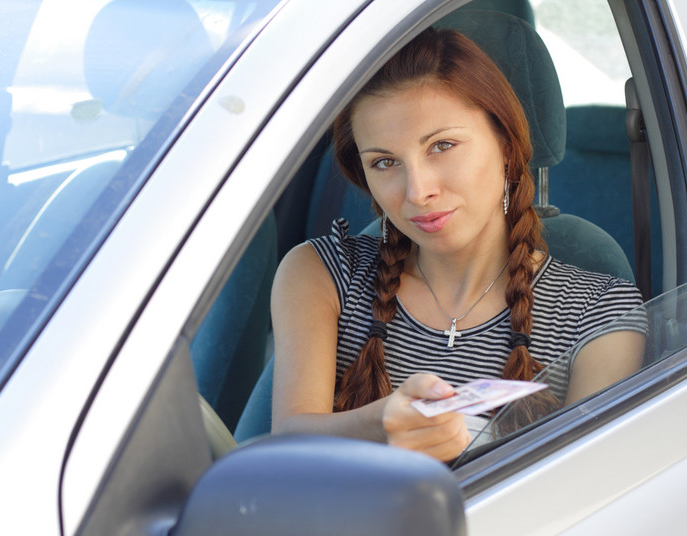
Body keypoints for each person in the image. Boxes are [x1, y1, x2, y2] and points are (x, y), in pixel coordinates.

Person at [271, 27, 645, 462]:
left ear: (505, 144)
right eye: (385, 162)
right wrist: (378, 424)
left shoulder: (599, 314)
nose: (417, 191)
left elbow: (583, 495)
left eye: (442, 146)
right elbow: (284, 454)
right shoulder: (322, 273)